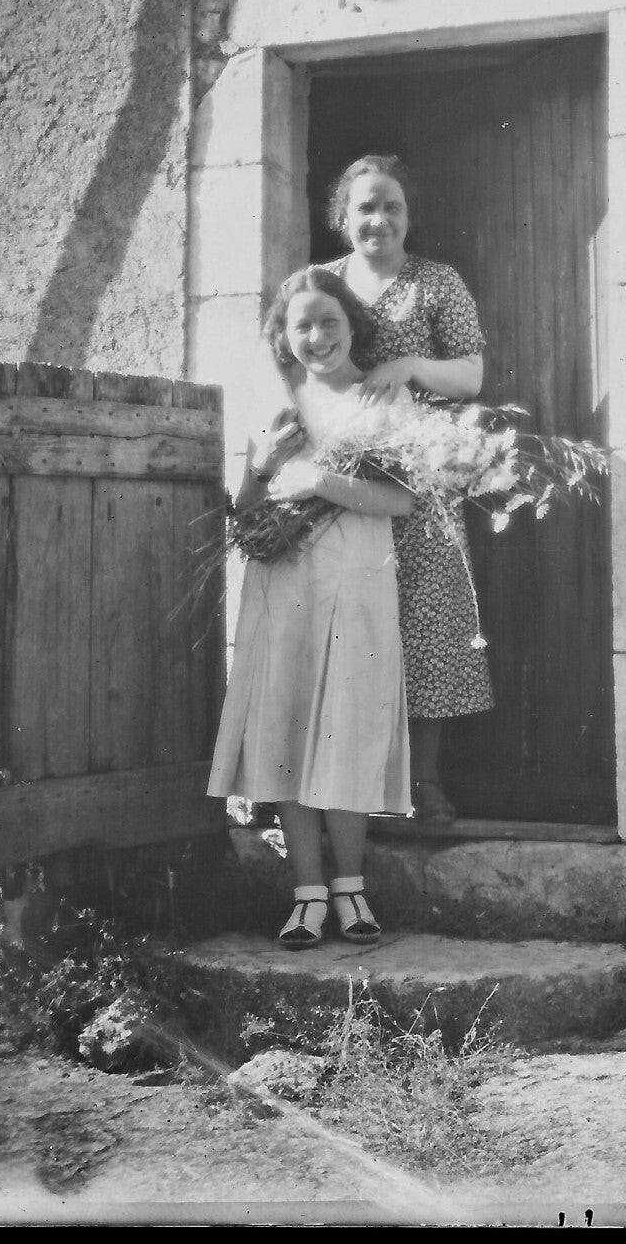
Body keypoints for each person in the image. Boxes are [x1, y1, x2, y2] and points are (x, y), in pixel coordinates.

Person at [207, 267, 414, 948]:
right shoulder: (280, 412)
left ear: (351, 323)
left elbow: (403, 501)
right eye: (302, 325)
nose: (317, 336)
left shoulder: (380, 404)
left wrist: (323, 480)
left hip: (354, 584)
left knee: (347, 726)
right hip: (287, 589)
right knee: (293, 727)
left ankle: (352, 890)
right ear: (283, 336)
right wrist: (262, 468)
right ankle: (308, 896)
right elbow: (242, 513)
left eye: (329, 321)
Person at [323, 153, 494, 824]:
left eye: (392, 206)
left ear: (408, 215)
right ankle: (353, 783)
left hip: (418, 479)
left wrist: (410, 364)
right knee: (347, 623)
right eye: (366, 206)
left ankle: (422, 784)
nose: (379, 219)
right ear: (343, 217)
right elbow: (287, 362)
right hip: (338, 477)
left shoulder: (435, 282)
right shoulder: (319, 285)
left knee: (428, 625)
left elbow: (472, 376)